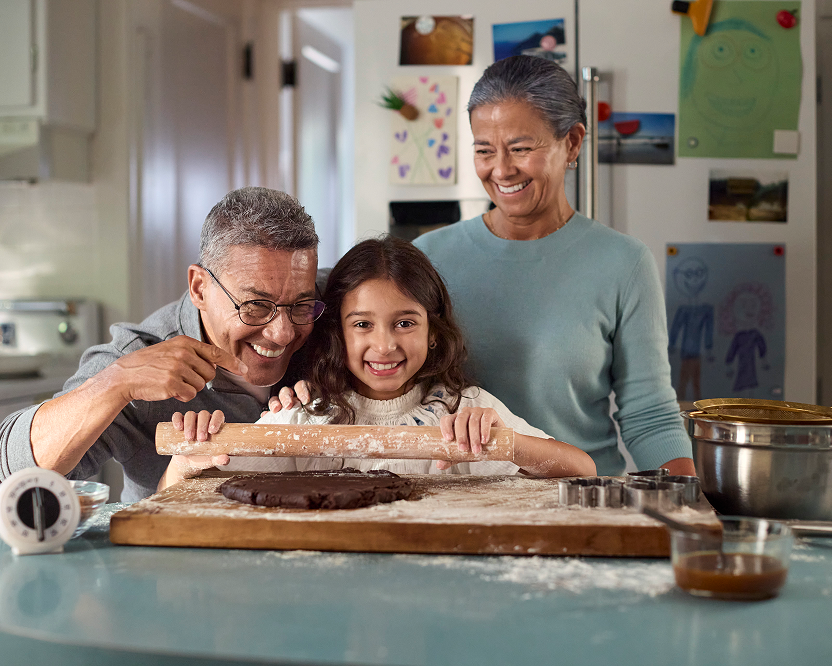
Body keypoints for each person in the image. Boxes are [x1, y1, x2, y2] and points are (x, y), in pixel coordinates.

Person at [413, 56, 696, 476]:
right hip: (457, 498)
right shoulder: (428, 257)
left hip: (580, 497)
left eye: (522, 149)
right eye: (484, 150)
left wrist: (689, 507)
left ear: (574, 142)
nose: (502, 170)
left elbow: (648, 414)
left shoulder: (625, 263)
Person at [159, 236, 596, 489]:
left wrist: (506, 444)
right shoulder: (306, 416)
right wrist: (185, 460)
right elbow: (191, 499)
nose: (384, 346)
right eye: (362, 324)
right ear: (336, 333)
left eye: (405, 322)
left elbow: (583, 471)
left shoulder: (465, 410)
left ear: (432, 328)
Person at [0, 187, 324, 502]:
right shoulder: (138, 359)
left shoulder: (343, 305)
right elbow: (9, 470)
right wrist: (115, 384)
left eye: (301, 305)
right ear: (199, 288)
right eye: (255, 305)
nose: (282, 333)